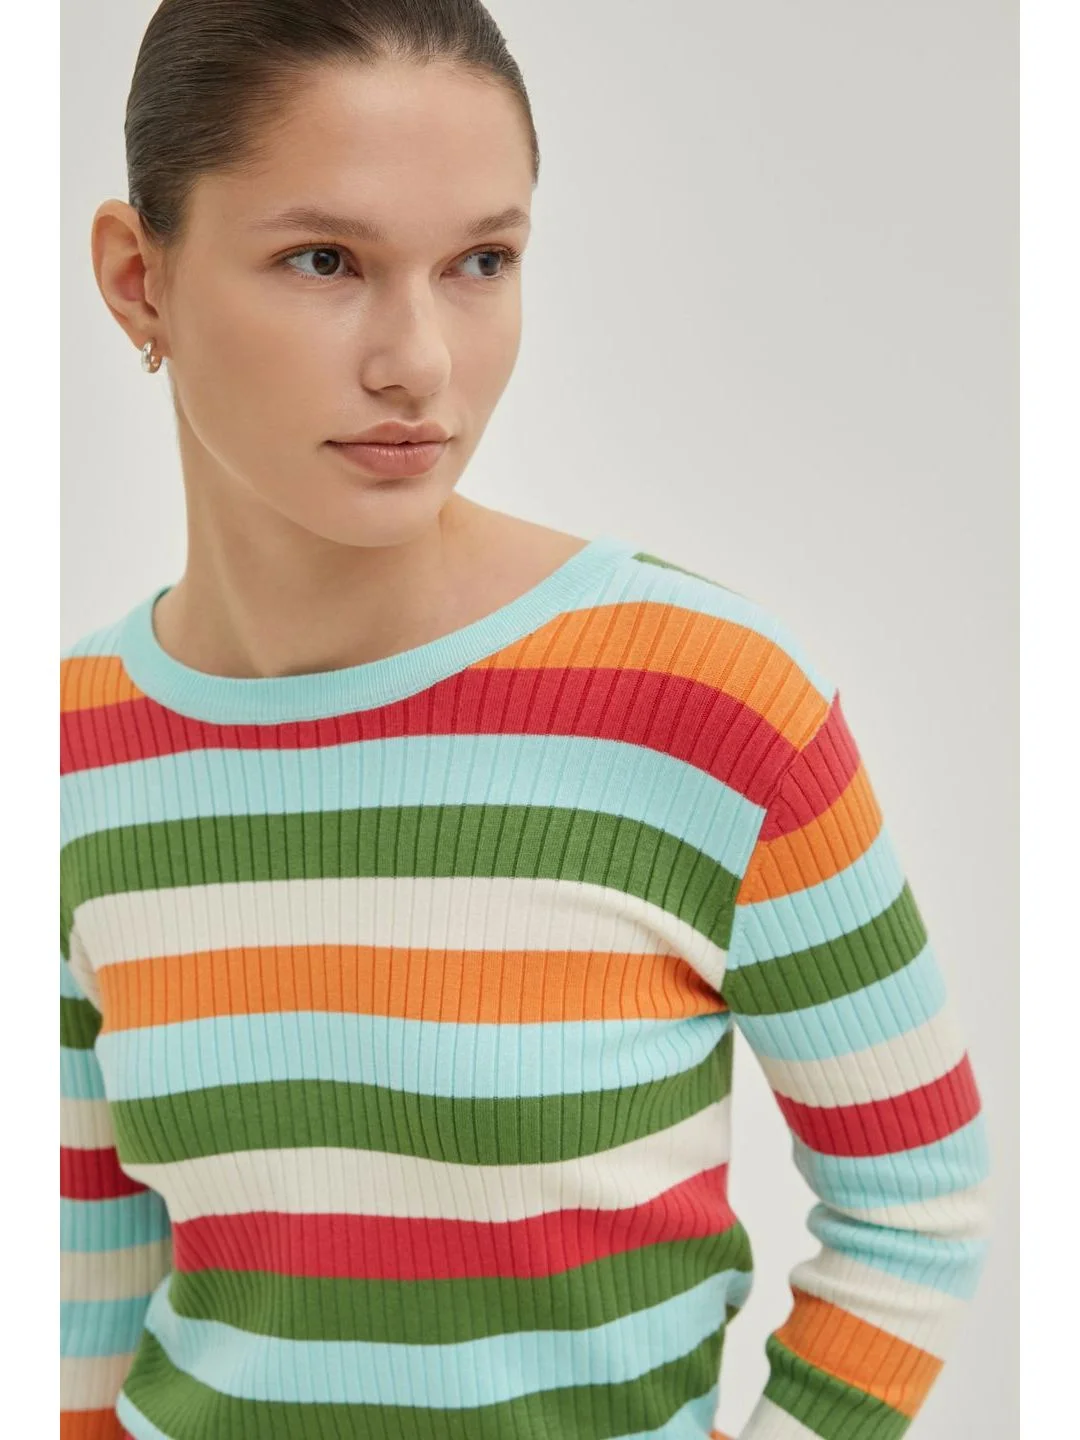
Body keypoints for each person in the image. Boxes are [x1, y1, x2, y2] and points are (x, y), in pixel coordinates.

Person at [60, 2, 994, 1437]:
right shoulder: (72, 750)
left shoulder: (706, 704)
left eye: (480, 262)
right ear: (142, 281)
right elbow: (89, 1266)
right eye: (326, 261)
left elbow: (916, 1203)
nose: (420, 362)